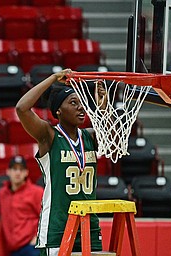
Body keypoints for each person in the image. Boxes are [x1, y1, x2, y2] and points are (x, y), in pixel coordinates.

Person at [15, 69, 107, 255]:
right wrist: (53, 78)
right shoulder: (49, 136)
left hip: (89, 226)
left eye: (82, 103)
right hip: (58, 227)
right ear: (58, 110)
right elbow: (21, 108)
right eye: (73, 103)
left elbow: (112, 133)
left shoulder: (89, 136)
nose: (81, 108)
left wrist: (103, 106)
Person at [0, 155, 44, 256]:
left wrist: (38, 237)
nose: (18, 172)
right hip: (11, 249)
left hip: (30, 248)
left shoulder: (36, 192)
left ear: (26, 172)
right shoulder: (2, 194)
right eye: (14, 169)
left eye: (21, 169)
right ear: (8, 171)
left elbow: (46, 217)